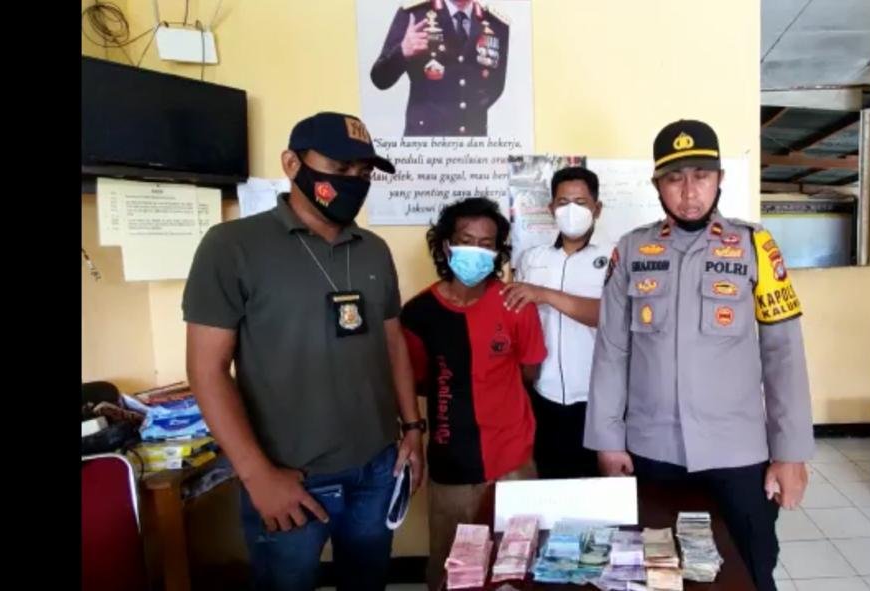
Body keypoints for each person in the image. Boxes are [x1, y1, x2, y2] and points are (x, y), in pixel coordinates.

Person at [183, 112, 425, 591]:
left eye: (364, 172)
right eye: (340, 168)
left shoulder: (374, 249)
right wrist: (258, 476)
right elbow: (207, 370)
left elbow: (393, 343)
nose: (354, 181)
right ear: (292, 164)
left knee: (368, 582)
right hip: (289, 476)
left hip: (377, 468)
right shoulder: (232, 246)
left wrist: (413, 430)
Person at [585, 119, 813, 591]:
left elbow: (783, 353)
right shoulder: (631, 250)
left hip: (738, 452)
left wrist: (790, 453)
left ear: (719, 178)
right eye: (674, 178)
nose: (689, 192)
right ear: (657, 185)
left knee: (751, 569)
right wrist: (607, 441)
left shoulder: (755, 245)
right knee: (656, 573)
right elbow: (611, 350)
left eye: (701, 176)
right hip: (652, 449)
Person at [398, 197, 545, 589]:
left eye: (486, 244)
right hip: (451, 464)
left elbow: (529, 371)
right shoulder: (418, 314)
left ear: (498, 252)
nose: (476, 251)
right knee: (453, 572)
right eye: (466, 241)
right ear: (446, 245)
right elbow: (413, 382)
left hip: (513, 461)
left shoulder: (516, 305)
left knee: (518, 568)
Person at [501, 166, 610, 479]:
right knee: (551, 485)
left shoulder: (614, 257)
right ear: (551, 208)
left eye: (581, 202)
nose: (571, 210)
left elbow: (612, 317)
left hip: (597, 399)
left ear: (597, 209)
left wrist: (545, 295)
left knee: (599, 490)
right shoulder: (532, 259)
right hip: (543, 394)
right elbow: (516, 320)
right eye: (563, 202)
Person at [370, 0, 509, 137]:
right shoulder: (415, 14)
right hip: (425, 142)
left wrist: (470, 113)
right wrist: (402, 52)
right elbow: (380, 79)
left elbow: (496, 85)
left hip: (473, 140)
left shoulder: (495, 23)